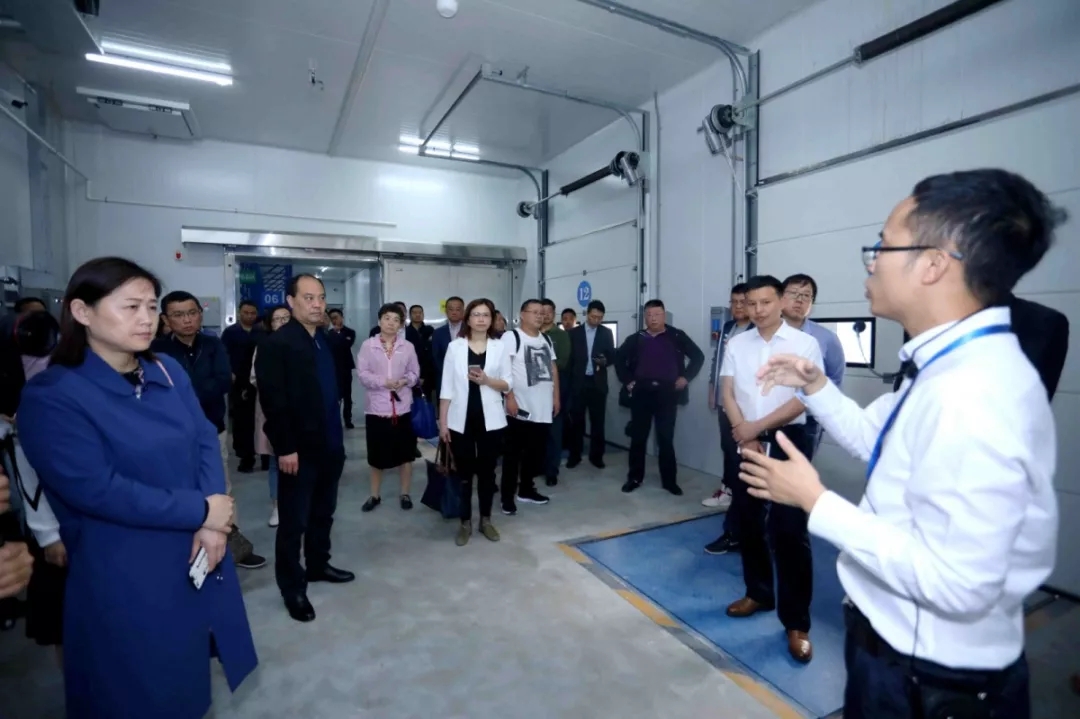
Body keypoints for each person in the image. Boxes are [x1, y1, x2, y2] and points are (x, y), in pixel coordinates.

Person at [740, 169, 1063, 718]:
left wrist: (817, 501)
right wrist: (815, 386)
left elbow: (960, 585)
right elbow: (876, 438)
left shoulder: (975, 392)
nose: (871, 262)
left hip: (929, 684)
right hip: (893, 654)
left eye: (883, 246)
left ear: (934, 264)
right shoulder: (942, 364)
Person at [17, 256, 257, 718]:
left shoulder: (165, 370)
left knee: (186, 680)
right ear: (82, 312)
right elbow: (97, 489)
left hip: (195, 550)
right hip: (125, 566)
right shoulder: (54, 395)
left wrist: (213, 521)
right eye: (130, 307)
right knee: (131, 685)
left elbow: (203, 438)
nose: (146, 318)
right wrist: (199, 510)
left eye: (150, 306)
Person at [719, 274, 824, 663]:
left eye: (766, 302)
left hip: (787, 440)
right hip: (746, 438)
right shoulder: (737, 343)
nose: (758, 310)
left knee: (789, 529)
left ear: (781, 301)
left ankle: (797, 623)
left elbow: (803, 399)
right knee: (748, 519)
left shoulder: (804, 344)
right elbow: (727, 391)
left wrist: (756, 428)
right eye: (751, 303)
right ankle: (759, 593)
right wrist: (743, 431)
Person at [255, 274, 355, 623]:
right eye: (309, 297)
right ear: (290, 301)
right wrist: (285, 448)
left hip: (330, 443)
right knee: (293, 522)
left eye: (321, 297)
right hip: (298, 449)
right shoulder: (277, 344)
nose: (317, 304)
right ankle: (292, 587)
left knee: (323, 512)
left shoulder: (324, 340)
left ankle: (317, 564)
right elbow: (274, 402)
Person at [152, 290, 265, 570]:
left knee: (221, 487)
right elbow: (157, 390)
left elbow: (223, 380)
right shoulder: (156, 350)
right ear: (165, 319)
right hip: (169, 433)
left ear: (200, 315)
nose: (187, 320)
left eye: (192, 313)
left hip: (211, 427)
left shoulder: (213, 344)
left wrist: (185, 394)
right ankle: (186, 548)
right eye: (178, 315)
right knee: (178, 488)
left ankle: (233, 547)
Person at [438, 298, 512, 545]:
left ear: (492, 320)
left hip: (491, 420)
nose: (481, 319)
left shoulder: (500, 347)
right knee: (464, 474)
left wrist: (487, 381)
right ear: (468, 319)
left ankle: (486, 520)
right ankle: (465, 522)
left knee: (488, 473)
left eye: (486, 315)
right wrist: (443, 422)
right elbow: (446, 387)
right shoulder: (455, 347)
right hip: (461, 420)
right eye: (476, 314)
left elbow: (507, 383)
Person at [614, 299, 705, 495]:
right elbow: (619, 359)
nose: (653, 318)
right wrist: (628, 380)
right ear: (644, 317)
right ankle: (634, 478)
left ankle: (669, 481)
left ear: (664, 315)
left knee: (665, 439)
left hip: (667, 395)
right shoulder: (637, 338)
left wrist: (686, 378)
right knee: (638, 438)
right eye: (649, 315)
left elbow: (698, 356)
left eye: (657, 314)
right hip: (641, 394)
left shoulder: (676, 336)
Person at [356, 303, 420, 513]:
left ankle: (405, 493)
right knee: (376, 457)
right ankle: (374, 495)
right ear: (379, 321)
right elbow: (363, 375)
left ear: (401, 325)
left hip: (402, 409)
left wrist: (404, 381)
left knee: (406, 455)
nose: (391, 323)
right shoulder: (368, 346)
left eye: (396, 320)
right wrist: (383, 382)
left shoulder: (407, 346)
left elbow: (415, 373)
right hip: (377, 409)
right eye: (387, 318)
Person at [702, 283, 752, 551]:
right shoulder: (727, 328)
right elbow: (717, 360)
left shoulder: (756, 330)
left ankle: (740, 503)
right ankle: (729, 490)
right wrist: (713, 388)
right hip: (725, 401)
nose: (738, 307)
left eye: (743, 302)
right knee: (728, 449)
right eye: (734, 302)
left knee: (743, 456)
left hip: (746, 406)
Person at [501, 299, 560, 514]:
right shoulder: (512, 337)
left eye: (541, 312)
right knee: (512, 455)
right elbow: (503, 370)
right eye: (534, 312)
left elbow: (553, 369)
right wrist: (510, 398)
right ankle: (507, 498)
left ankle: (526, 489)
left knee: (535, 454)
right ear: (522, 314)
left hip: (543, 408)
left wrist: (556, 397)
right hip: (520, 408)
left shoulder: (546, 339)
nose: (539, 316)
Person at [252, 304, 292, 527]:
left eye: (286, 318)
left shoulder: (302, 344)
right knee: (278, 462)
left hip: (300, 414)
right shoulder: (265, 346)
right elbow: (254, 378)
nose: (283, 322)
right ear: (270, 324)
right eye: (278, 319)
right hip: (273, 411)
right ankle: (277, 507)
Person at [566, 300, 616, 469]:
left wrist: (604, 361)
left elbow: (612, 356)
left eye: (600, 318)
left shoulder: (606, 333)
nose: (596, 320)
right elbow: (569, 360)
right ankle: (575, 456)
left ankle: (597, 457)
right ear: (587, 314)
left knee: (598, 422)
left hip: (597, 384)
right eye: (593, 316)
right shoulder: (574, 333)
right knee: (577, 423)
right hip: (578, 383)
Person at [221, 300, 264, 473]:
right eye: (246, 312)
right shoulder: (230, 333)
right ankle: (246, 458)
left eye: (253, 313)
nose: (249, 316)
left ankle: (265, 455)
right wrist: (229, 373)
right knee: (242, 421)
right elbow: (223, 355)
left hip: (259, 381)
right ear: (239, 313)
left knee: (262, 419)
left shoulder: (261, 332)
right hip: (238, 382)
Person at [326, 308, 357, 430]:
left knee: (347, 395)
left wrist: (338, 334)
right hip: (332, 368)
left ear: (342, 318)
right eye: (332, 318)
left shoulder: (350, 332)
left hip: (345, 367)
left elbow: (346, 344)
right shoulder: (327, 333)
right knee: (335, 394)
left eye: (336, 317)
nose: (334, 320)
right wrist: (335, 334)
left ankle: (347, 419)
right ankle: (334, 419)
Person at [432, 296, 465, 388]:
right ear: (446, 311)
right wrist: (447, 372)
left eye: (458, 309)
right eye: (451, 309)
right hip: (444, 378)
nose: (454, 312)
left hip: (467, 378)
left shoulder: (471, 331)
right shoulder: (438, 332)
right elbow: (436, 357)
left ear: (463, 311)